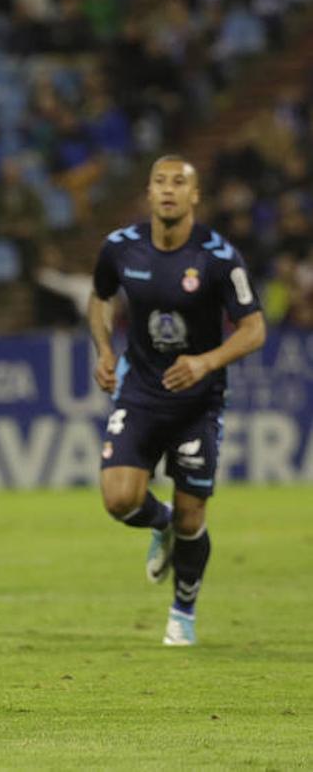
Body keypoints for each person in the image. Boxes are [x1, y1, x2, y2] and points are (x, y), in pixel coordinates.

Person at [89, 156, 265, 646]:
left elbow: (254, 329)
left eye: (179, 183)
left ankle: (182, 614)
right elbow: (100, 297)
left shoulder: (218, 256)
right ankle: (159, 522)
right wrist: (105, 349)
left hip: (198, 402)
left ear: (195, 197)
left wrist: (206, 362)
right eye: (160, 182)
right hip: (141, 392)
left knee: (194, 517)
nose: (168, 190)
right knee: (119, 499)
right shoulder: (121, 248)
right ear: (148, 193)